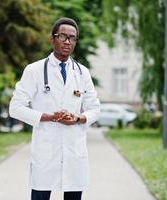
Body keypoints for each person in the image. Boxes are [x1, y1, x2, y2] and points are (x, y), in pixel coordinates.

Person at [9, 17, 100, 200]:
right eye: (63, 36)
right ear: (52, 39)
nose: (68, 42)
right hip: (46, 149)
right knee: (41, 194)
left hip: (74, 149)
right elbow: (15, 108)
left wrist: (77, 118)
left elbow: (95, 109)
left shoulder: (82, 72)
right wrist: (49, 117)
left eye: (72, 38)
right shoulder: (34, 70)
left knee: (73, 193)